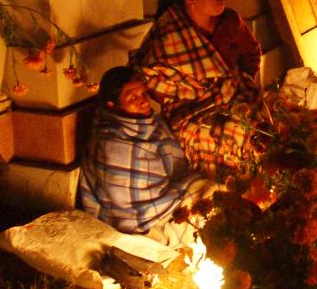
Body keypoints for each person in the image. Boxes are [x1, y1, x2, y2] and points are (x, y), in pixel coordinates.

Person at [132, 0, 262, 180]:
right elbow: (152, 76)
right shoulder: (171, 31)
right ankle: (217, 189)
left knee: (250, 126)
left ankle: (252, 184)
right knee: (208, 133)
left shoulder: (230, 21)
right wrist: (186, 93)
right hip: (188, 107)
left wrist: (242, 83)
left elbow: (251, 52)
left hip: (234, 93)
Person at [79, 66, 216, 248]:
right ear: (112, 105)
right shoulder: (110, 142)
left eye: (144, 94)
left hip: (166, 200)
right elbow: (131, 203)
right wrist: (188, 188)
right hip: (139, 223)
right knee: (212, 198)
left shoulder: (150, 121)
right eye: (132, 98)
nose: (144, 102)